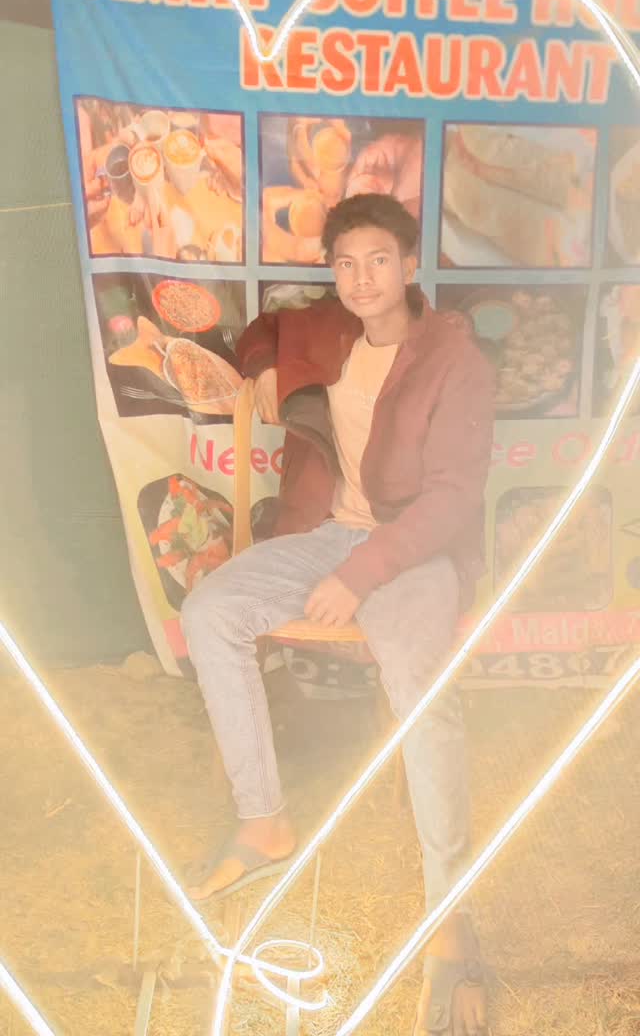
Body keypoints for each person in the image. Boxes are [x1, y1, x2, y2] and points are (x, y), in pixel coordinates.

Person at [182, 193, 495, 1035]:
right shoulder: (330, 326)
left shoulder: (455, 359)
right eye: (346, 264)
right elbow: (261, 330)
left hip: (415, 552)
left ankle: (449, 907)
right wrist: (261, 366)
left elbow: (454, 499)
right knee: (211, 611)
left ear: (410, 266)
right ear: (334, 271)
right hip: (330, 534)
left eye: (379, 261)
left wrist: (362, 575)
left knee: (418, 685)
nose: (362, 279)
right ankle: (264, 823)